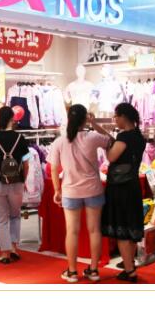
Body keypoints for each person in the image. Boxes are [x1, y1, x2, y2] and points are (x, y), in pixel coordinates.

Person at [48, 104, 113, 283]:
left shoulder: (59, 141)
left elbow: (54, 169)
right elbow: (111, 139)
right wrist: (95, 123)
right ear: (85, 119)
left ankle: (72, 271)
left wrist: (57, 190)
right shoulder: (93, 137)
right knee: (94, 230)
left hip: (70, 191)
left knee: (72, 231)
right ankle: (94, 270)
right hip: (93, 189)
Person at [101, 103, 146, 282]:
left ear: (123, 117)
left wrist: (106, 147)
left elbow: (111, 157)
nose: (115, 120)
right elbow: (115, 141)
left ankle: (130, 271)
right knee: (131, 227)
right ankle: (130, 264)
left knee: (122, 229)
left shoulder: (124, 137)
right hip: (132, 185)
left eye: (116, 116)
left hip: (120, 188)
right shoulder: (138, 136)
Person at [0, 106, 31, 264]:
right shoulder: (20, 138)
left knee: (1, 219)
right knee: (15, 216)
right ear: (12, 119)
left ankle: (5, 253)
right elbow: (26, 164)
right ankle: (14, 248)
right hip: (16, 183)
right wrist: (23, 180)